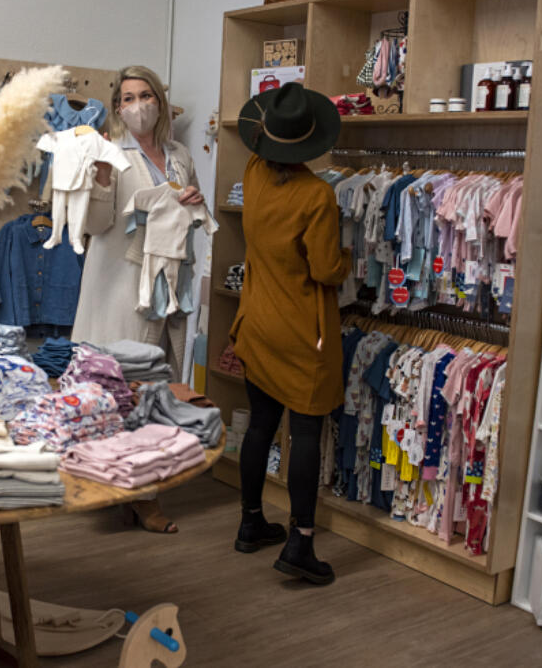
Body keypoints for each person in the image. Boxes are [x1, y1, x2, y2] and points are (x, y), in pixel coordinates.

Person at [70, 65, 204, 534]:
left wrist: (192, 198)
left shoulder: (180, 153)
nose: (137, 105)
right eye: (127, 98)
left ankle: (147, 487)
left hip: (172, 283)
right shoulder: (107, 151)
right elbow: (93, 225)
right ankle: (118, 484)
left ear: (160, 102)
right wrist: (102, 180)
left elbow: (191, 212)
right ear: (116, 106)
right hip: (120, 284)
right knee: (120, 387)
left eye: (145, 95)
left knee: (161, 388)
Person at [228, 81, 348, 585]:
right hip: (302, 329)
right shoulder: (317, 195)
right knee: (304, 435)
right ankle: (300, 543)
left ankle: (251, 522)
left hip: (256, 319)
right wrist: (348, 262)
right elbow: (324, 269)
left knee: (259, 423)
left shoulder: (254, 172)